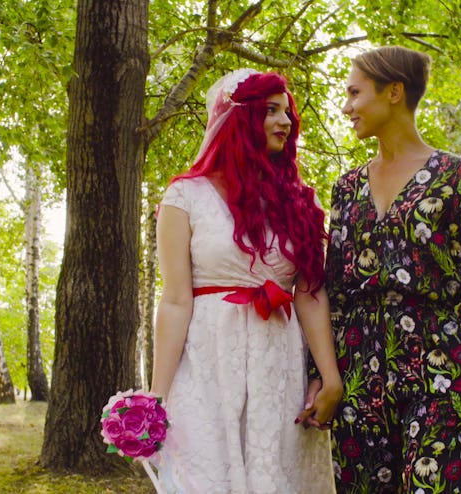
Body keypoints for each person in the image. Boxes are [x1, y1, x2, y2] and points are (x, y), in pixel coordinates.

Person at [307, 46, 461, 493]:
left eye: (355, 93)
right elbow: (334, 288)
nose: (346, 107)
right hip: (359, 367)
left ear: (394, 92)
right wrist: (320, 375)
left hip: (439, 365)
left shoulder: (457, 176)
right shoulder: (347, 187)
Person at [149, 68, 343, 493]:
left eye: (286, 112)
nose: (285, 121)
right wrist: (155, 401)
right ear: (238, 119)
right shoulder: (184, 197)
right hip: (206, 366)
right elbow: (176, 301)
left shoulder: (299, 200)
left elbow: (309, 293)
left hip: (278, 368)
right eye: (270, 110)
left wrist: (331, 377)